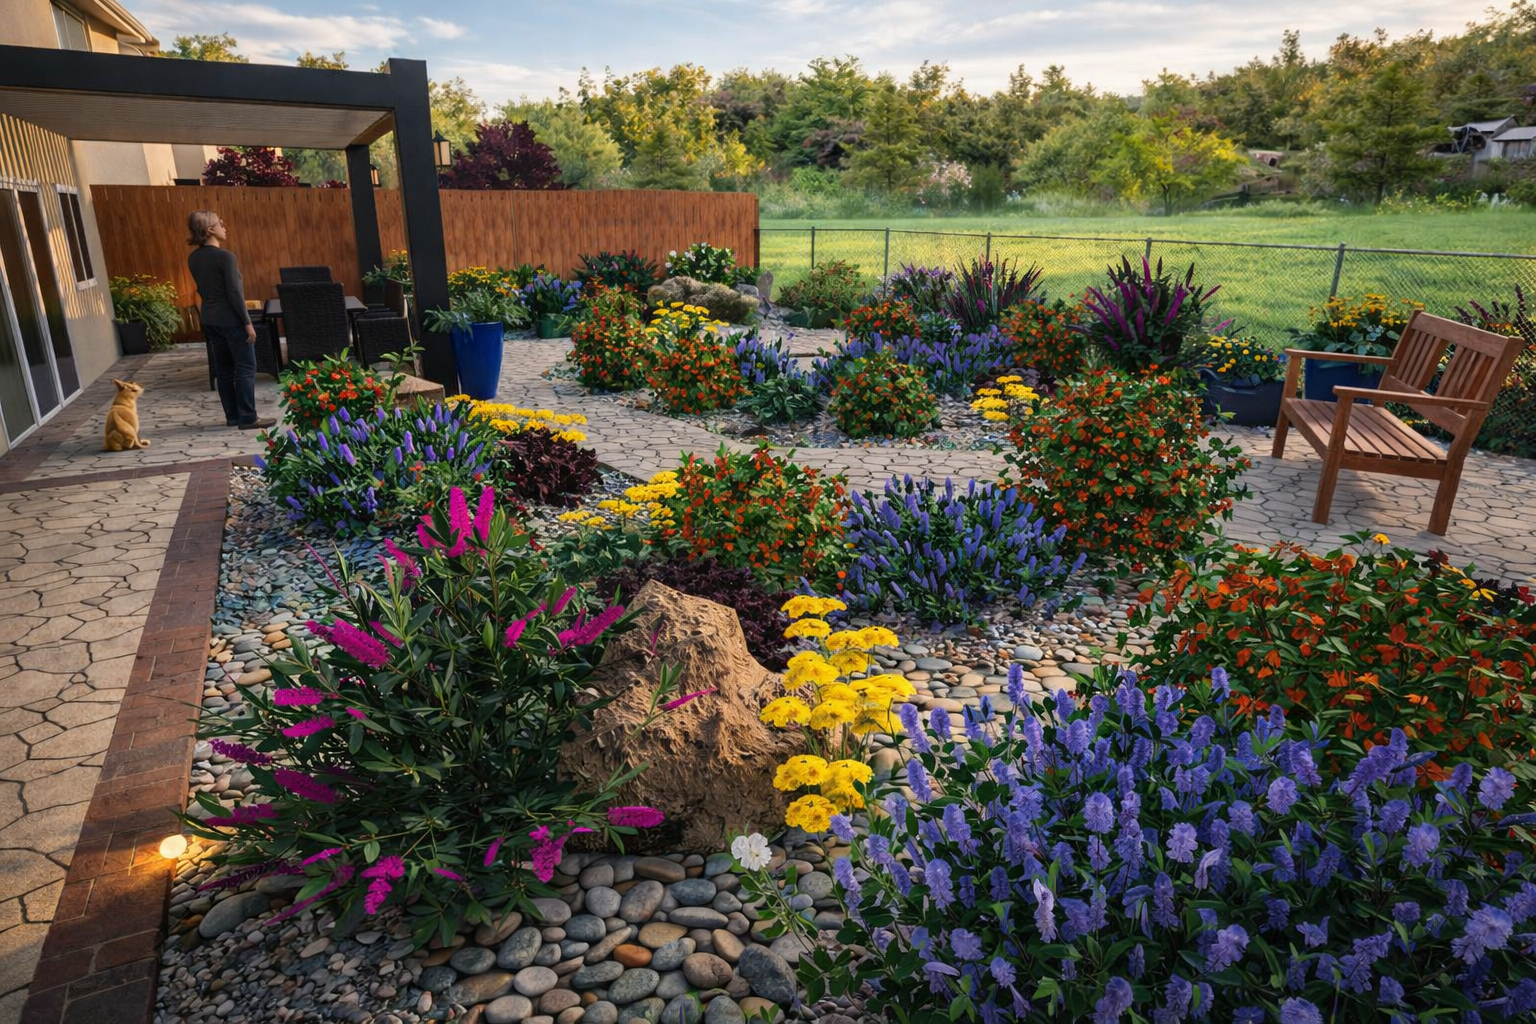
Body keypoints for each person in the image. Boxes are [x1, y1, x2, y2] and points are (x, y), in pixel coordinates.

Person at [187, 210, 274, 429]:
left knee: (223, 369)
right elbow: (234, 293)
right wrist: (247, 323)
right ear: (209, 230)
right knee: (245, 368)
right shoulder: (225, 257)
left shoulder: (194, 258)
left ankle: (233, 416)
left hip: (210, 319)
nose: (224, 226)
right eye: (220, 223)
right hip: (231, 320)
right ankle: (248, 417)